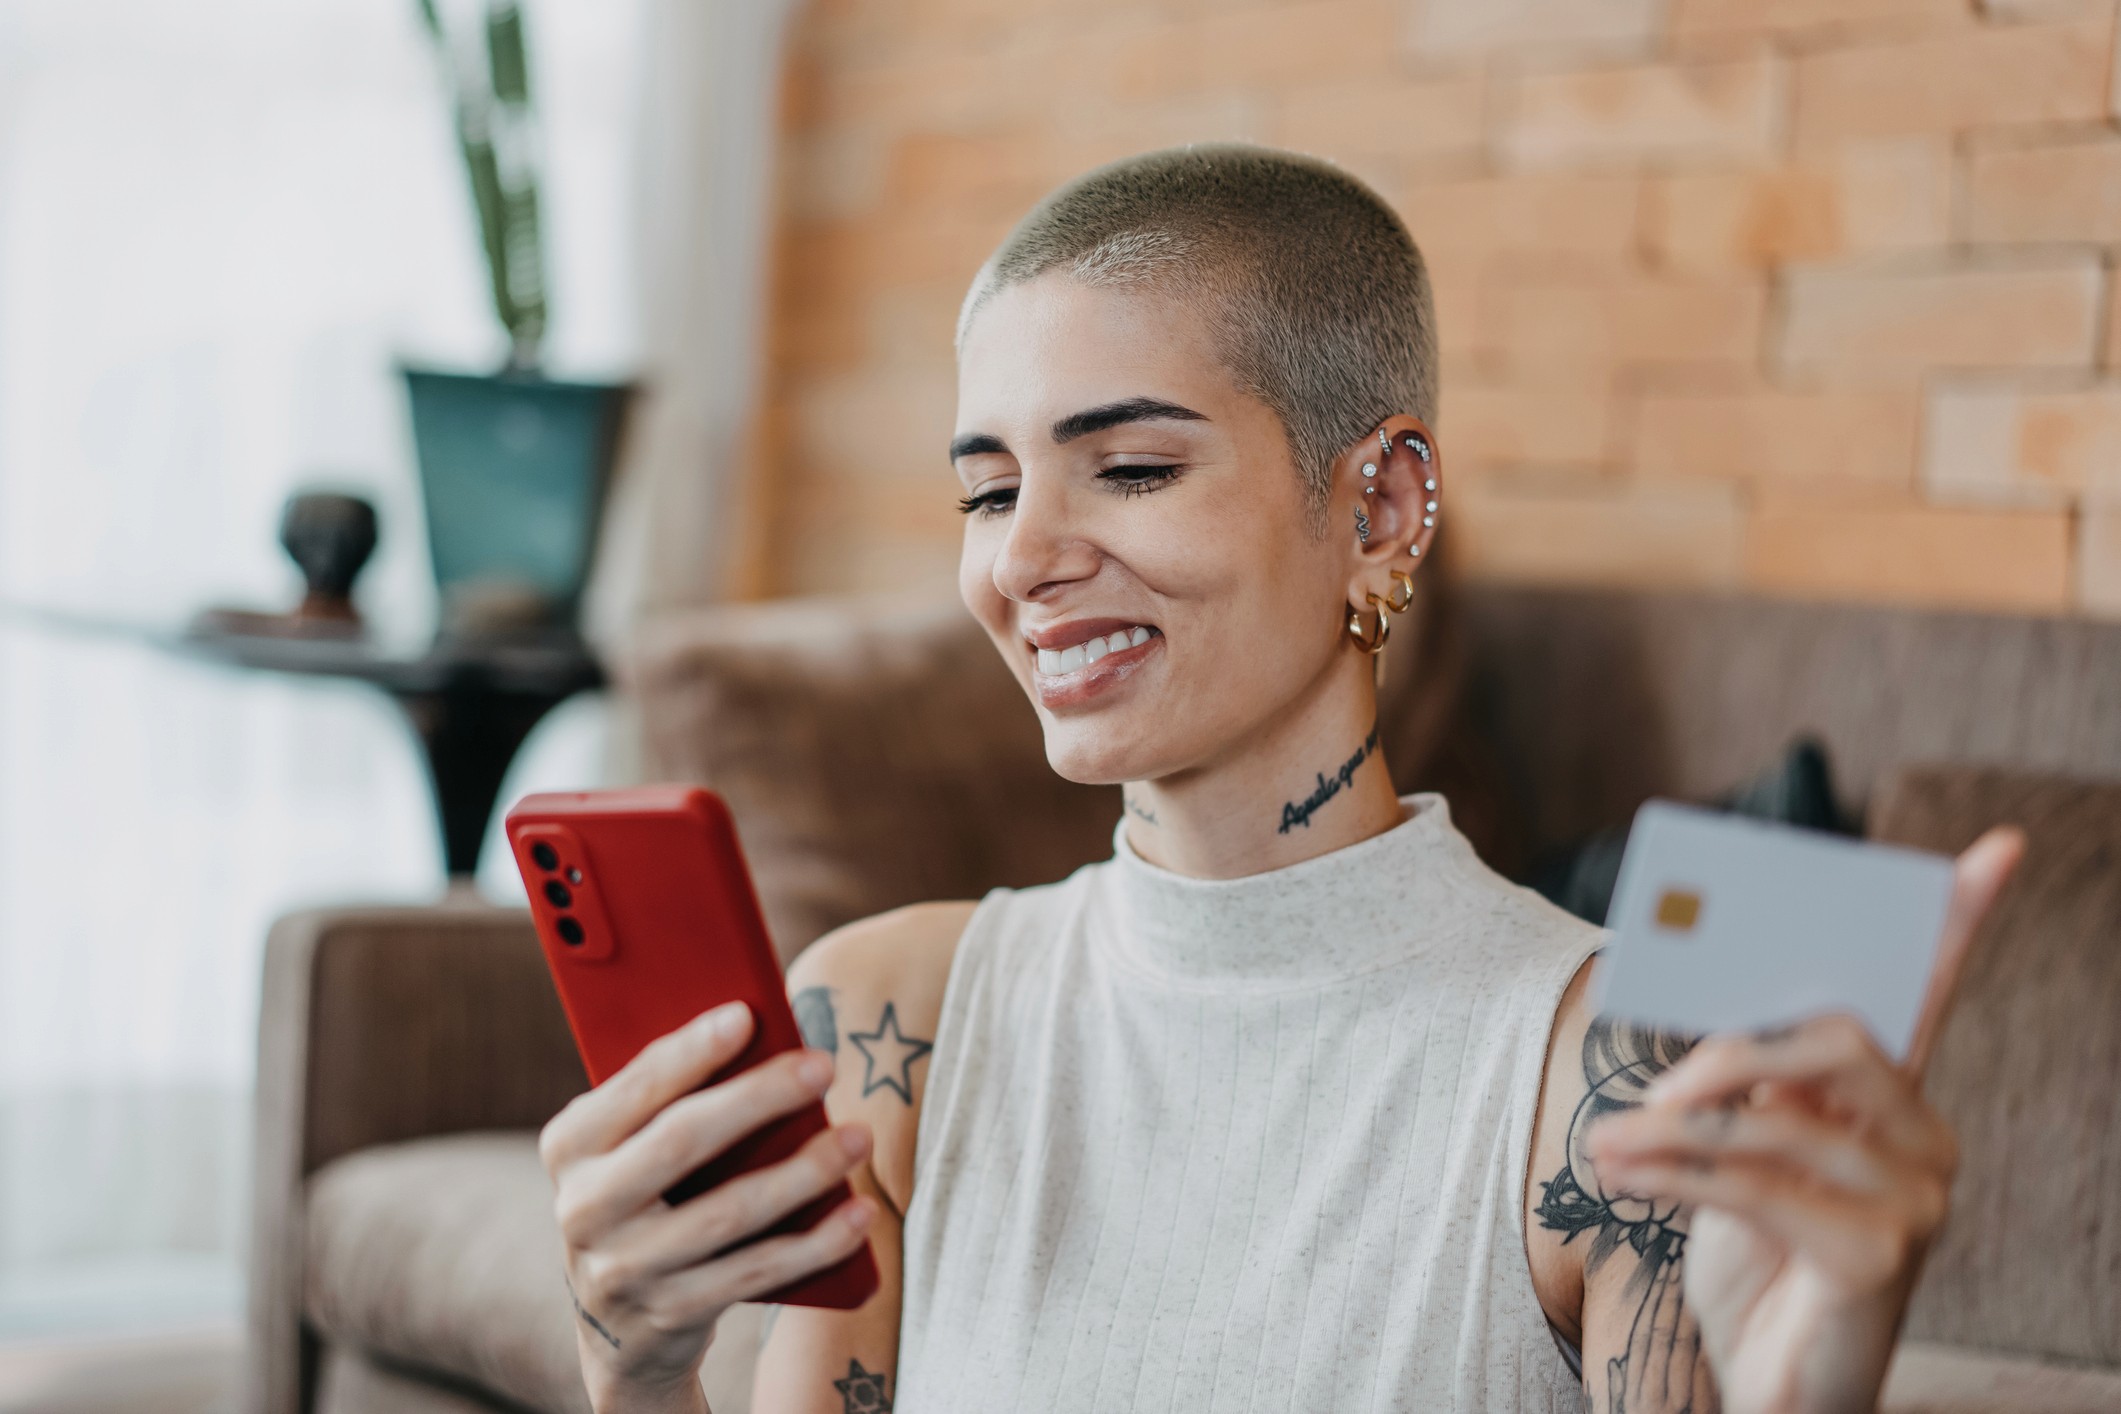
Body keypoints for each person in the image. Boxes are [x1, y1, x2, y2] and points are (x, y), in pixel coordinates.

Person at [534, 145, 2024, 1413]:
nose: (1023, 560)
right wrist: (640, 1370)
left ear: (1378, 506)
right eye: (987, 488)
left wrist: (1811, 1380)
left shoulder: (1617, 1072)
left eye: (1126, 469)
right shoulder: (888, 1022)